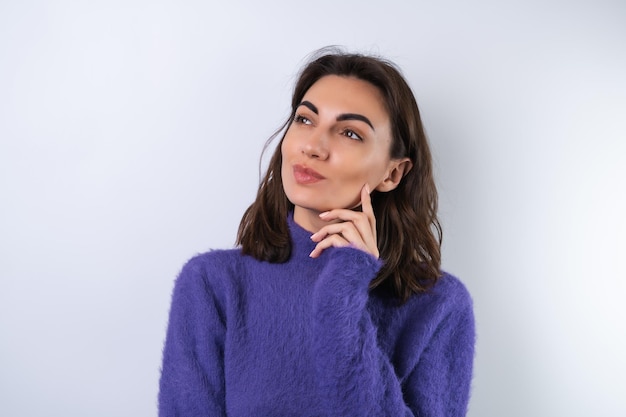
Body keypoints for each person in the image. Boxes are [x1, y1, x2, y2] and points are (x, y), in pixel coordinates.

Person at [158, 49, 475, 416]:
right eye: (306, 120)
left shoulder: (439, 305)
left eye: (350, 133)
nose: (313, 146)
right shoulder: (212, 284)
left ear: (393, 174)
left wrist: (344, 289)